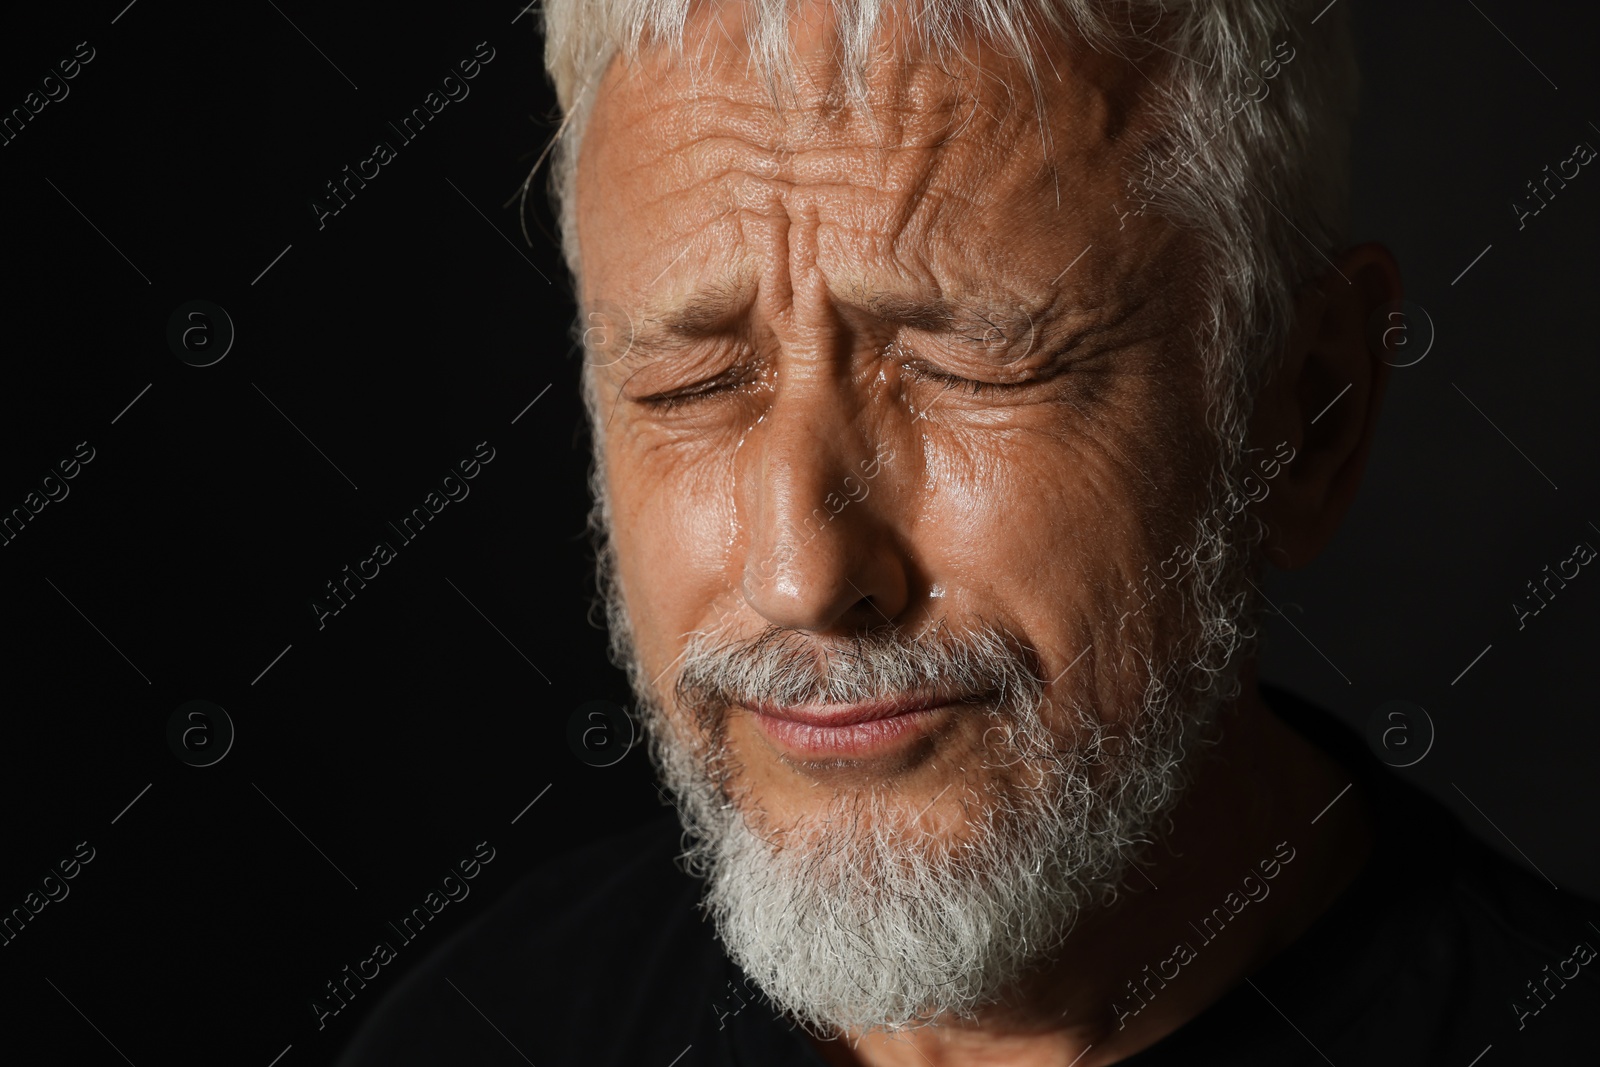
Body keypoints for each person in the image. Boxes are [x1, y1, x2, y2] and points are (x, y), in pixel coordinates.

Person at [337, 1, 1600, 1063]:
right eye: (692, 385)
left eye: (967, 368)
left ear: (1305, 414)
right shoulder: (477, 1026)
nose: (804, 573)